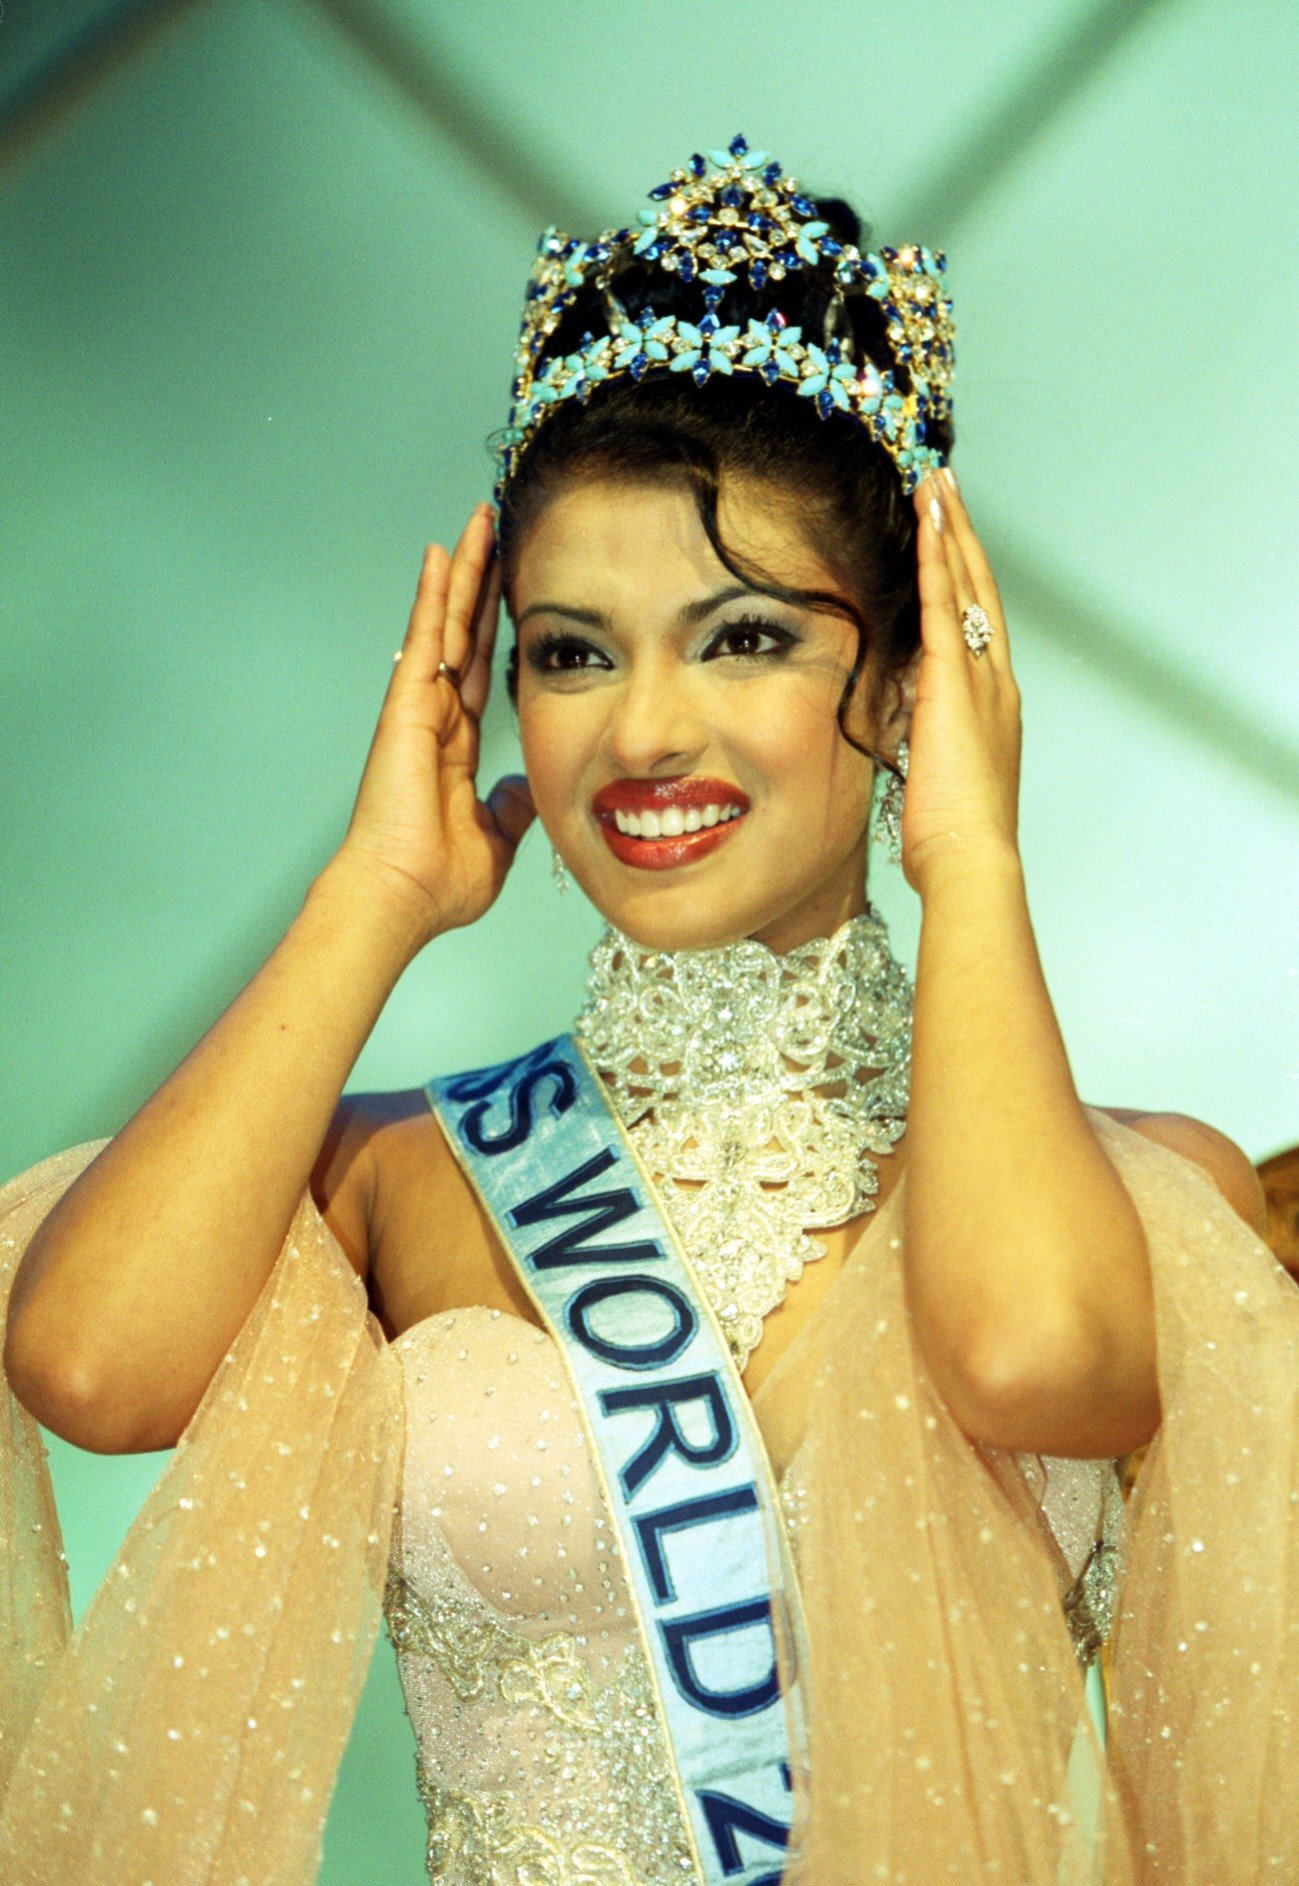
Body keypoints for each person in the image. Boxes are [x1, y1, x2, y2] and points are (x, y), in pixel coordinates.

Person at [1, 135, 1295, 1886]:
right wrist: (376, 894)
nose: (644, 731)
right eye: (574, 649)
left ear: (909, 673)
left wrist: (973, 857)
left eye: (744, 638)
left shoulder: (1143, 1192)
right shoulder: (406, 1180)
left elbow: (1023, 1352)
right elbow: (87, 1360)